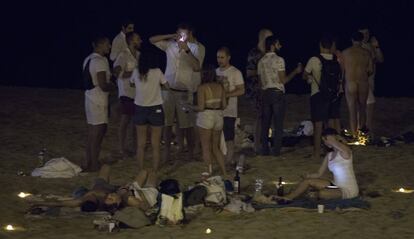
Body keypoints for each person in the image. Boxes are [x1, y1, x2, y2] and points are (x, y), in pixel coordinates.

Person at [149, 23, 201, 162]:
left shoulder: (195, 48)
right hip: (168, 90)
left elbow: (197, 67)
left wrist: (187, 51)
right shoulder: (170, 45)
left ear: (189, 35)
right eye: (179, 34)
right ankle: (167, 154)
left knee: (187, 125)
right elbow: (152, 40)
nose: (181, 37)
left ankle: (189, 153)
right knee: (167, 123)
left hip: (184, 91)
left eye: (184, 34)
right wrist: (170, 36)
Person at [29, 165, 159, 212]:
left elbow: (59, 203)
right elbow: (146, 207)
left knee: (106, 167)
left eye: (88, 197)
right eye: (111, 198)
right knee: (151, 174)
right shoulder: (122, 199)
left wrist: (39, 202)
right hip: (143, 193)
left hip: (128, 189)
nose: (89, 195)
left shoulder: (84, 199)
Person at [275, 128, 359, 201]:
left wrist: (334, 138)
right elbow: (319, 174)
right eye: (324, 140)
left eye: (326, 139)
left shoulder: (345, 152)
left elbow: (337, 144)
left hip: (348, 190)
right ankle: (288, 197)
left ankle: (315, 195)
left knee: (322, 194)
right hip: (335, 185)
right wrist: (308, 176)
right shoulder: (329, 156)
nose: (325, 142)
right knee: (307, 182)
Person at [257, 36, 302, 156]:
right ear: (273, 45)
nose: (280, 46)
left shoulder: (261, 61)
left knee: (265, 124)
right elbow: (283, 80)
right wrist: (295, 72)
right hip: (277, 93)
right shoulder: (279, 60)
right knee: (278, 124)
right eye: (278, 44)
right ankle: (276, 150)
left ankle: (265, 150)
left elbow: (261, 83)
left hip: (266, 93)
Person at [303, 34, 343, 159]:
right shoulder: (336, 59)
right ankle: (332, 151)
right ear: (331, 46)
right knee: (330, 124)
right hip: (332, 95)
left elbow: (305, 75)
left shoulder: (314, 60)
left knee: (318, 125)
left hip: (318, 94)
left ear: (320, 45)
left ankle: (316, 153)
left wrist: (310, 78)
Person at [130, 48, 169, 172]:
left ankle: (141, 168)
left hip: (140, 108)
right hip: (155, 108)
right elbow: (167, 85)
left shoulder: (136, 72)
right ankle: (155, 169)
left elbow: (131, 83)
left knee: (141, 144)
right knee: (155, 144)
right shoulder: (157, 72)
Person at [83, 36, 115, 171]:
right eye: (107, 44)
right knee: (98, 133)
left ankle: (89, 161)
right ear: (100, 45)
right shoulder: (100, 61)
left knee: (92, 133)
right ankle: (94, 163)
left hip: (90, 97)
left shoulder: (88, 59)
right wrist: (113, 86)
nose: (109, 47)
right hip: (98, 99)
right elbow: (102, 84)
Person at [189, 65, 227, 177]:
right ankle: (224, 172)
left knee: (205, 147)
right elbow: (224, 105)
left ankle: (208, 171)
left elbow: (201, 107)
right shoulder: (220, 87)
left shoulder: (202, 87)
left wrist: (190, 107)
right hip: (218, 116)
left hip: (206, 116)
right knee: (215, 147)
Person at [113, 32, 142, 159]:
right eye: (138, 39)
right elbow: (117, 72)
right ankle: (121, 148)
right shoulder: (123, 55)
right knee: (125, 121)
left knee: (134, 122)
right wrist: (133, 74)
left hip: (137, 93)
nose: (140, 41)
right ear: (131, 41)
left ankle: (132, 147)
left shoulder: (139, 55)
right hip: (126, 92)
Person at [216, 47, 245, 165]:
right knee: (217, 135)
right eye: (218, 57)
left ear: (228, 57)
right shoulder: (215, 72)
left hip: (229, 109)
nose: (219, 60)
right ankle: (222, 158)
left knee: (228, 135)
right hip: (216, 110)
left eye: (222, 57)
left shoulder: (235, 72)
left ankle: (229, 159)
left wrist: (226, 95)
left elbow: (241, 90)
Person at [246, 29, 273, 153]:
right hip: (256, 90)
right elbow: (249, 72)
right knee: (258, 117)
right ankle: (257, 144)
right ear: (262, 37)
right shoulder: (254, 53)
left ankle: (263, 142)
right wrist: (262, 71)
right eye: (269, 37)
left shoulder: (268, 52)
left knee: (266, 117)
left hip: (267, 89)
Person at [342, 32, 374, 137]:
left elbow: (342, 70)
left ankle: (354, 135)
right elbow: (370, 70)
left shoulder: (345, 52)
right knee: (362, 108)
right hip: (363, 82)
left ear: (352, 39)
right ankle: (362, 134)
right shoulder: (367, 53)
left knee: (352, 109)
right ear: (361, 40)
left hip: (351, 82)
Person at [358, 27, 384, 134]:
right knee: (365, 105)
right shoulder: (357, 47)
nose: (365, 35)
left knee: (365, 105)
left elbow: (381, 60)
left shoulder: (371, 46)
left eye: (367, 33)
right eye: (363, 33)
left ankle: (363, 130)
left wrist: (377, 47)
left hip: (370, 80)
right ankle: (365, 131)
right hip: (361, 81)